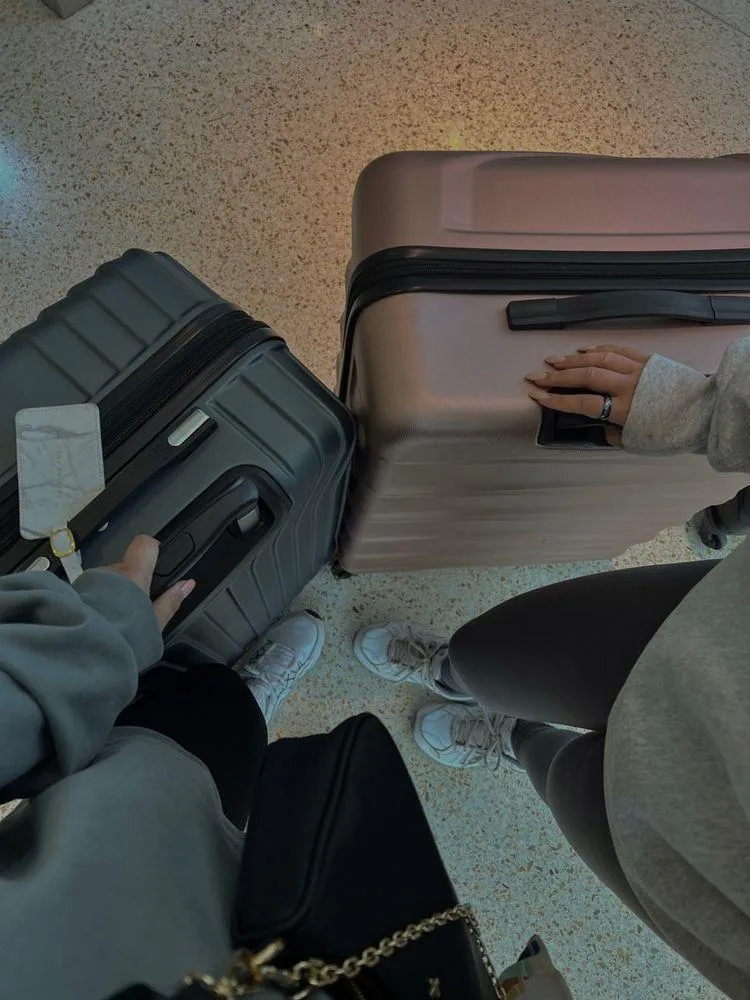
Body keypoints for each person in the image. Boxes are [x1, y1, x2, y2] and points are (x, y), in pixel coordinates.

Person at [353, 341, 750, 999]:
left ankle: (512, 734)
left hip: (710, 877)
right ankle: (453, 674)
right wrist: (713, 407)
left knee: (562, 772)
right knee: (489, 655)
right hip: (726, 643)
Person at [0, 534, 326, 1000]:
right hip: (207, 892)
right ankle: (241, 703)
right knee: (231, 721)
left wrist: (105, 640)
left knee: (214, 717)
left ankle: (210, 702)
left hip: (113, 829)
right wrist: (104, 635)